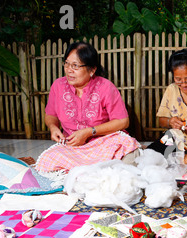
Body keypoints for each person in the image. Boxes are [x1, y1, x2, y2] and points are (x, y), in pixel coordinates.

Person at [35, 42, 141, 173]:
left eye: (75, 66)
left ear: (92, 70)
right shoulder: (58, 86)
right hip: (74, 147)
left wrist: (88, 132)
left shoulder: (105, 87)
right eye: (66, 64)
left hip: (105, 142)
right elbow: (51, 115)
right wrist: (53, 127)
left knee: (128, 156)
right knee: (47, 160)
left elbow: (123, 122)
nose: (69, 70)